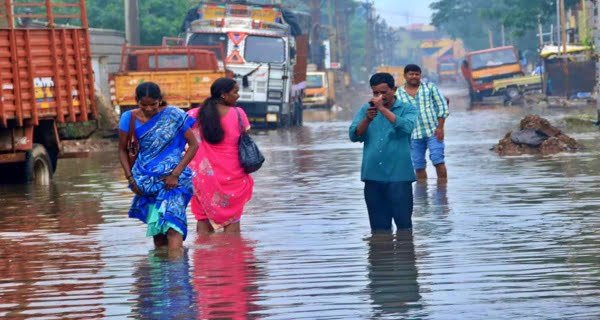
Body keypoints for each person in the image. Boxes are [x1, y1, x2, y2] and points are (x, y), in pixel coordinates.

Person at [118, 82, 198, 250]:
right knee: (158, 234)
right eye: (143, 105)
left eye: (153, 104)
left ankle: (176, 274)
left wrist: (175, 174)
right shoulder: (129, 118)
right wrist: (131, 180)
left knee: (173, 227)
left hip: (175, 181)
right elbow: (122, 150)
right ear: (136, 101)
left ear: (159, 100)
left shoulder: (173, 115)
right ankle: (160, 273)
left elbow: (193, 145)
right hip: (147, 182)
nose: (148, 109)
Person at [349, 73, 418, 232]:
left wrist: (382, 110)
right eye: (375, 93)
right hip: (373, 177)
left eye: (383, 92)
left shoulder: (407, 109)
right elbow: (354, 135)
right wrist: (367, 119)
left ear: (393, 90)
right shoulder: (367, 110)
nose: (379, 97)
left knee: (404, 228)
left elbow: (407, 127)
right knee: (379, 230)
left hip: (399, 177)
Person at [187, 78, 254, 234]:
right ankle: (232, 255)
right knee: (233, 220)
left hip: (203, 178)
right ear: (224, 95)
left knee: (203, 218)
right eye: (235, 92)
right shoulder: (238, 114)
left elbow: (181, 137)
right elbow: (245, 136)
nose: (238, 95)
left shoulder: (193, 114)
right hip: (234, 176)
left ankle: (204, 256)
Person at [396, 64, 449, 182]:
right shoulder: (398, 94)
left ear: (420, 75)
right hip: (413, 136)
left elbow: (442, 106)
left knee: (438, 161)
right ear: (405, 76)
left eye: (417, 74)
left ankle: (443, 192)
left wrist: (440, 127)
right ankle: (422, 195)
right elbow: (398, 116)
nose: (414, 76)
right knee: (418, 167)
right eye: (411, 74)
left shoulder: (430, 88)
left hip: (433, 132)